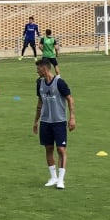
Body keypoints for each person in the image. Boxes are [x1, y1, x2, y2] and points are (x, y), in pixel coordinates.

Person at [33, 59, 75, 190]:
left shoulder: (59, 82)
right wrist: (35, 121)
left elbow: (70, 99)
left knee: (61, 150)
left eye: (38, 69)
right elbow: (40, 103)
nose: (37, 71)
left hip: (59, 121)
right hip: (45, 122)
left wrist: (72, 117)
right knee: (48, 149)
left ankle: (61, 180)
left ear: (45, 69)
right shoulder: (39, 83)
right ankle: (53, 177)